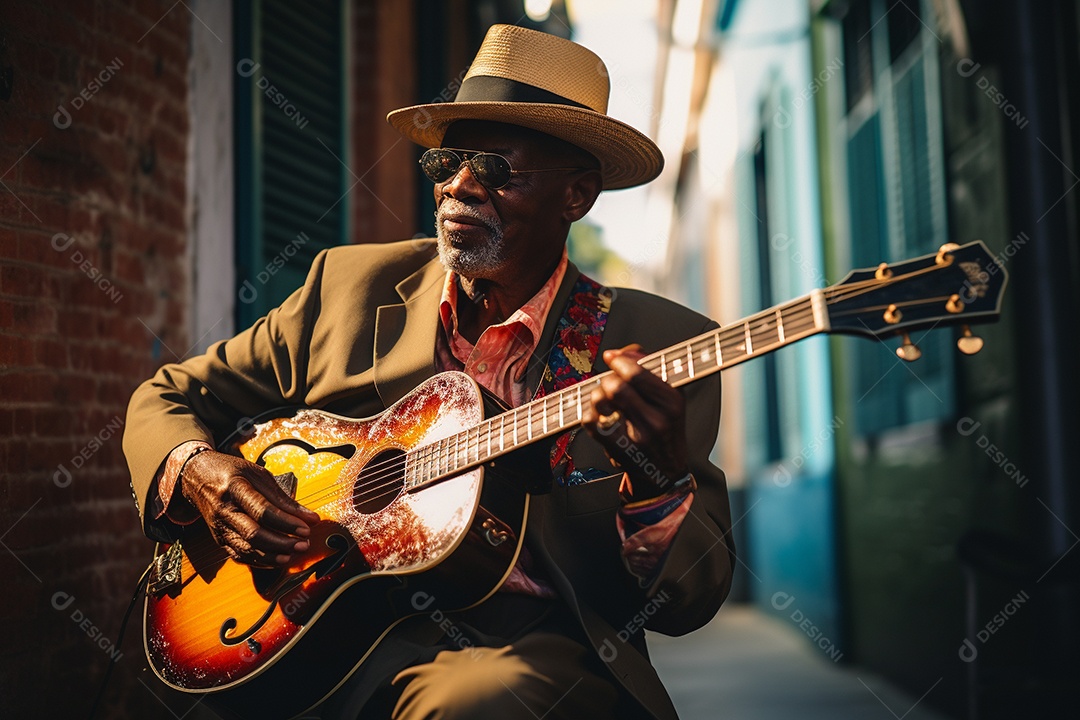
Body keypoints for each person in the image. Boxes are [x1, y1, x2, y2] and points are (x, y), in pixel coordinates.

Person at [124, 24, 734, 720]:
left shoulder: (655, 343)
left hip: (529, 649)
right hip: (323, 625)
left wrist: (657, 481)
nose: (457, 188)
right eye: (446, 164)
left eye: (496, 168)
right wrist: (201, 470)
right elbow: (168, 393)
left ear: (577, 196)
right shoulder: (349, 287)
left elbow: (691, 599)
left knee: (474, 706)